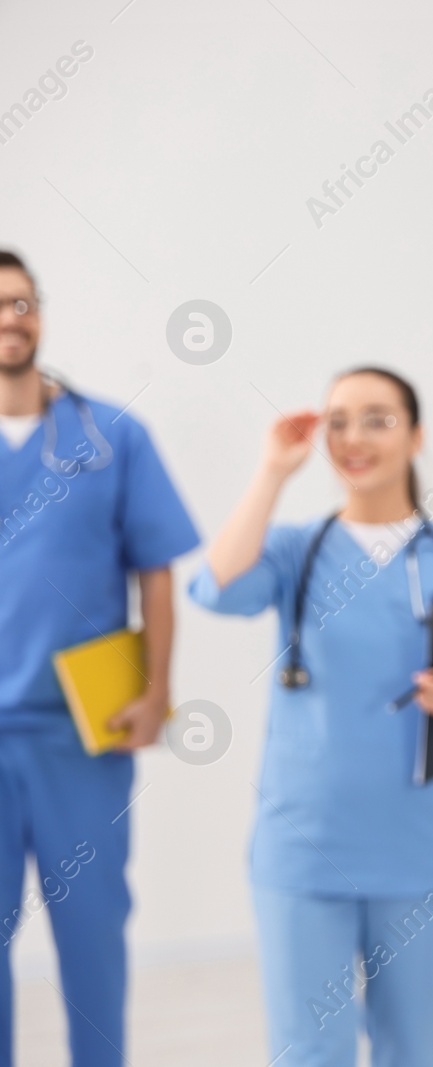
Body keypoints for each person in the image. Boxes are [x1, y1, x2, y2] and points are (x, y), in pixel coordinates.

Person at [188, 367, 433, 1067]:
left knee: (416, 1048)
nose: (354, 436)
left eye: (377, 417)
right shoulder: (291, 550)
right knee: (309, 1049)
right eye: (339, 419)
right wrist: (271, 472)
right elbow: (215, 586)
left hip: (422, 846)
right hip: (304, 847)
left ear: (416, 434)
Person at [0, 250, 200, 1067]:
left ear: (40, 314)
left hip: (85, 732)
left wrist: (158, 690)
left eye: (22, 301)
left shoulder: (111, 436)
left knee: (91, 932)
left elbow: (156, 569)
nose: (11, 316)